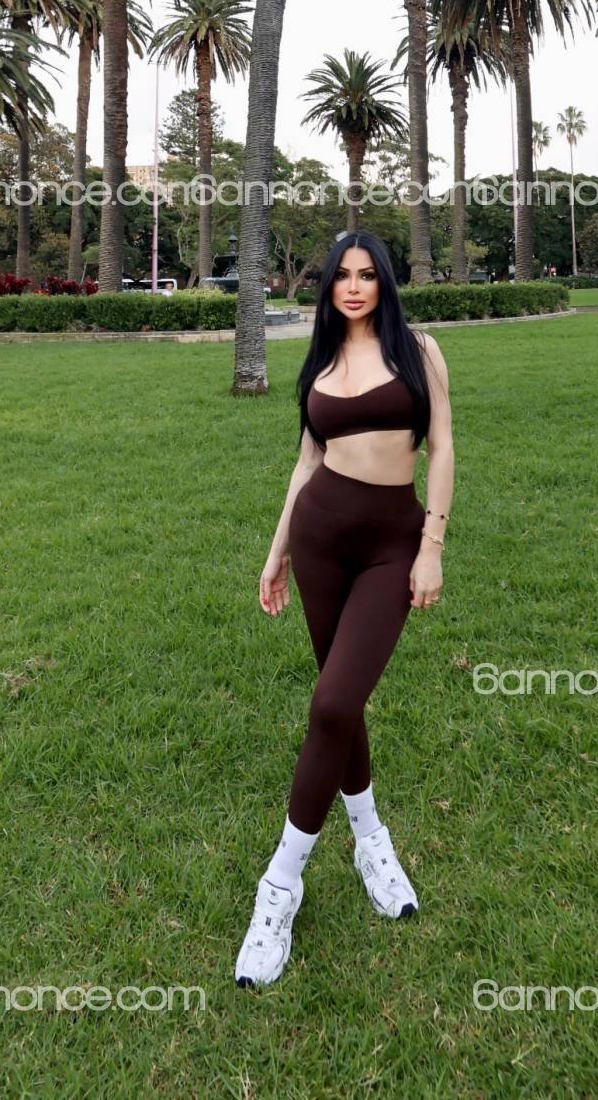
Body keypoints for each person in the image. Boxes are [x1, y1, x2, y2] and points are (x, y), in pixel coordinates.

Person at [234, 230, 455, 988]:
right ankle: (371, 840)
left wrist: (432, 546)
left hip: (393, 545)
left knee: (332, 702)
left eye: (367, 275)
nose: (354, 287)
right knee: (342, 705)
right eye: (342, 276)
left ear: (384, 281)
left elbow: (443, 447)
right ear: (328, 285)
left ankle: (280, 885)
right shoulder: (322, 358)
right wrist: (277, 553)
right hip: (320, 538)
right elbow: (306, 463)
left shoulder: (418, 351)